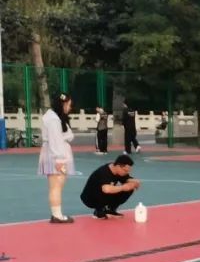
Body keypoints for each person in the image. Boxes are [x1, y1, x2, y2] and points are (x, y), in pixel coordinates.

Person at [38, 93, 76, 224]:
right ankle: (57, 215)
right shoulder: (53, 119)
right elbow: (55, 141)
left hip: (54, 153)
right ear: (63, 104)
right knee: (56, 186)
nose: (70, 108)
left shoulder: (54, 116)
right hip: (56, 155)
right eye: (69, 105)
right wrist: (59, 160)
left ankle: (56, 214)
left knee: (56, 186)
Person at [80, 154, 141, 219]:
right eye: (125, 170)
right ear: (118, 166)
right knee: (110, 188)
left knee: (129, 189)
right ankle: (99, 211)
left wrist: (135, 182)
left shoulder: (118, 171)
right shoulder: (104, 172)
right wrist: (123, 187)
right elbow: (106, 189)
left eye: (128, 171)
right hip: (90, 198)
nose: (127, 172)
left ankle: (110, 210)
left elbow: (127, 179)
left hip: (102, 194)